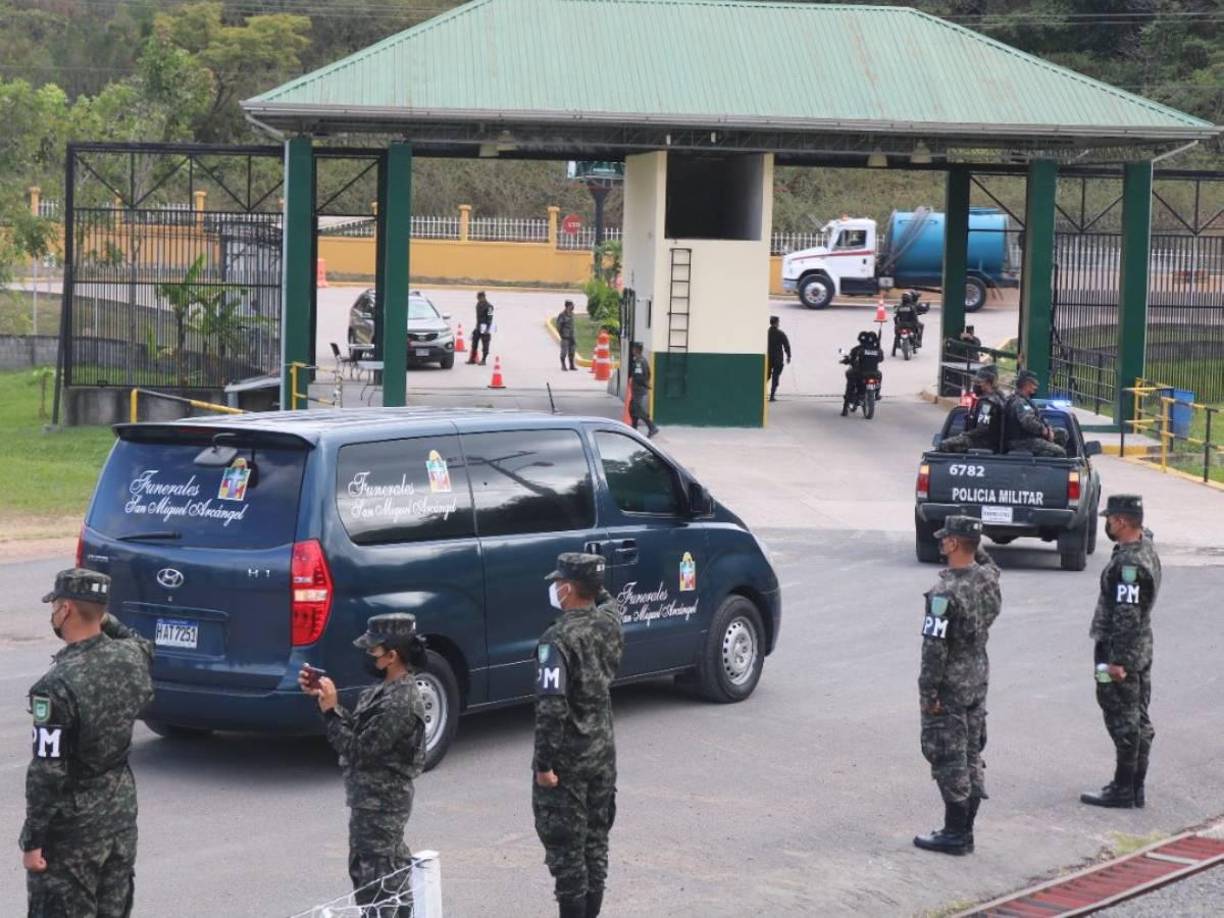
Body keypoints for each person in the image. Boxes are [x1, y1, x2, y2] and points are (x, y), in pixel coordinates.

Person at [23, 569, 154, 917]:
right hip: (119, 819)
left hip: (72, 833)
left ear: (65, 609)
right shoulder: (132, 658)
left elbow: (47, 772)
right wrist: (100, 616)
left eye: (55, 606)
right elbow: (141, 643)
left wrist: (33, 840)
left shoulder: (55, 686)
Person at [301, 614, 428, 915]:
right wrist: (327, 703)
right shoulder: (383, 690)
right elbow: (360, 732)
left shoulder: (400, 702)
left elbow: (358, 750)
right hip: (369, 803)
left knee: (381, 883)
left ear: (391, 656)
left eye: (373, 651)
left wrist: (331, 713)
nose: (368, 656)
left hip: (382, 806)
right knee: (368, 874)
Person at [534, 553, 624, 918]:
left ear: (568, 589)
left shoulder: (556, 640)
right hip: (602, 755)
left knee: (568, 857)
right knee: (596, 844)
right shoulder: (609, 624)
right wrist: (595, 582)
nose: (555, 588)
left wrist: (543, 765)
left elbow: (551, 708)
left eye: (559, 583)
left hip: (568, 763)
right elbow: (609, 601)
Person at [914, 516, 1001, 856]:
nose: (941, 543)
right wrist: (974, 542)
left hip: (950, 685)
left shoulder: (944, 594)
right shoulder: (987, 580)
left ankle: (955, 833)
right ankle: (966, 830)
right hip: (976, 679)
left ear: (953, 543)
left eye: (946, 538)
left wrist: (928, 693)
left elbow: (934, 650)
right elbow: (989, 564)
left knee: (949, 756)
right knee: (971, 753)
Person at [1081, 495, 1162, 809]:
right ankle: (1134, 786)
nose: (1108, 524)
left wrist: (1117, 662)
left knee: (1122, 717)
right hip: (1140, 648)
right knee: (1136, 715)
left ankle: (1124, 787)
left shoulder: (1130, 565)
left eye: (1111, 519)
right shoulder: (1144, 546)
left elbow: (1127, 615)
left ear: (1123, 521)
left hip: (1119, 651)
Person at [939, 366, 1006, 453]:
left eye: (979, 382)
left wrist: (964, 434)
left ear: (988, 383)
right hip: (990, 443)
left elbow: (982, 429)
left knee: (944, 445)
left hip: (982, 443)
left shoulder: (987, 403)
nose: (975, 385)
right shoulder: (999, 398)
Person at [1003, 369, 1066, 457]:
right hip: (1021, 441)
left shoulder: (1025, 400)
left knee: (1062, 433)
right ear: (1026, 385)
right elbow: (1028, 422)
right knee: (1059, 452)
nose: (1035, 387)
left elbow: (1039, 418)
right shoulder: (1020, 402)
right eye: (1033, 384)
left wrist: (1048, 428)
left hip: (1029, 437)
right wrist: (1044, 431)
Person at [841, 330, 884, 416]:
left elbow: (851, 359)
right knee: (880, 375)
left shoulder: (857, 349)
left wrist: (845, 361)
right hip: (874, 374)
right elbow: (881, 359)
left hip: (860, 374)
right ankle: (877, 393)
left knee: (849, 379)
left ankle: (845, 408)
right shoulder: (878, 350)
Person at [627, 341, 658, 437]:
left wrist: (644, 384)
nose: (632, 350)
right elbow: (648, 373)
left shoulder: (639, 362)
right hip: (639, 389)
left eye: (633, 349)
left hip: (638, 390)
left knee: (638, 410)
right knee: (632, 409)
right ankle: (634, 428)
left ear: (636, 350)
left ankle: (652, 427)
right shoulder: (643, 360)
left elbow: (639, 376)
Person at [766, 316, 791, 402]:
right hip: (777, 359)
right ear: (776, 323)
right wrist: (788, 356)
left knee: (766, 376)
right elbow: (786, 345)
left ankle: (760, 392)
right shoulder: (780, 334)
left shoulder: (766, 333)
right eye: (778, 322)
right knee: (775, 377)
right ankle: (772, 396)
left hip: (768, 358)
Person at [467, 291, 494, 365]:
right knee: (474, 343)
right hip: (478, 326)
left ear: (483, 297)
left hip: (485, 327)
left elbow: (490, 318)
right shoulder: (478, 304)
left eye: (479, 297)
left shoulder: (490, 307)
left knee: (485, 345)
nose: (478, 299)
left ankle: (483, 360)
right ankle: (472, 359)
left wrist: (487, 329)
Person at [557, 300, 578, 371]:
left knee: (572, 351)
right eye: (572, 305)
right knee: (564, 352)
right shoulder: (562, 315)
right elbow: (558, 326)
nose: (573, 307)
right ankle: (563, 365)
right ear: (568, 306)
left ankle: (571, 365)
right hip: (565, 336)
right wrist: (562, 334)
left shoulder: (572, 314)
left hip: (572, 336)